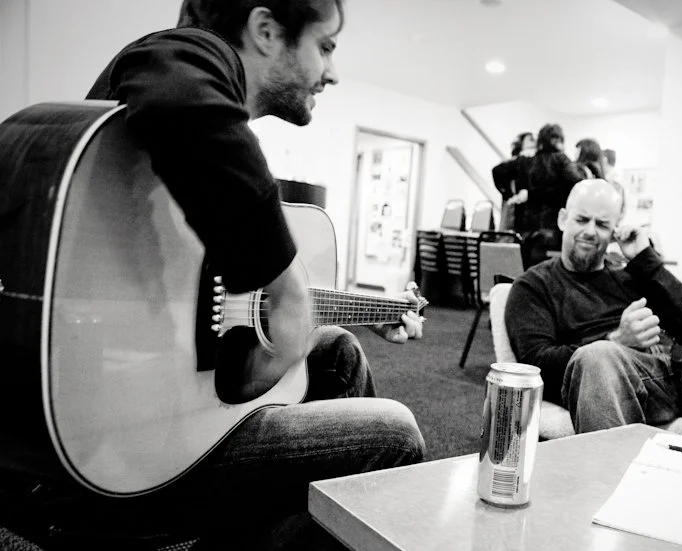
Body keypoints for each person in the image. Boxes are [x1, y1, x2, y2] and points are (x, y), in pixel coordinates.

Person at [0, 1, 426, 549]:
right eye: (325, 46)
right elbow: (172, 79)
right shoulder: (181, 58)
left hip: (121, 414)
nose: (333, 72)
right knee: (395, 433)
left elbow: (222, 292)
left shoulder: (190, 132)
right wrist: (288, 287)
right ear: (266, 30)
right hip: (108, 456)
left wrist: (371, 310)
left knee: (339, 351)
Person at [505, 178, 682, 456]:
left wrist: (645, 258)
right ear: (562, 219)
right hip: (615, 380)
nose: (591, 231)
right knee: (598, 355)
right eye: (582, 220)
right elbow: (535, 362)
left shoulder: (631, 275)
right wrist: (616, 340)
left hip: (679, 374)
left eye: (603, 224)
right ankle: (614, 500)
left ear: (614, 231)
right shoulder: (533, 286)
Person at [522, 123, 584, 268]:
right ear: (557, 140)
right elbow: (579, 184)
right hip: (553, 228)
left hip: (529, 228)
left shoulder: (529, 161)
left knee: (532, 273)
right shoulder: (561, 160)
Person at [491, 131, 536, 233]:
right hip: (515, 210)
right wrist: (508, 194)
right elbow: (497, 171)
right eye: (531, 140)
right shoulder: (516, 162)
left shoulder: (533, 162)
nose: (535, 142)